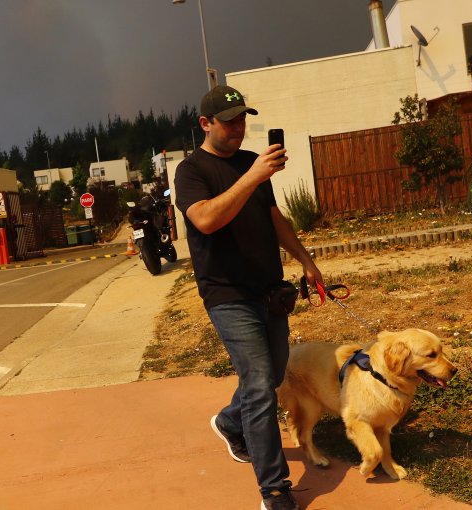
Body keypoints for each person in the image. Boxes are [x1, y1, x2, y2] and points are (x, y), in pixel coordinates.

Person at [173, 85, 323, 510]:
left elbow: (274, 217)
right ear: (206, 124)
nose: (239, 127)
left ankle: (229, 420)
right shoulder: (192, 171)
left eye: (242, 119)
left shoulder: (248, 162)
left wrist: (307, 261)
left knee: (272, 377)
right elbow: (204, 219)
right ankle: (275, 491)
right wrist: (254, 175)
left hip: (268, 290)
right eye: (229, 120)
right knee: (259, 384)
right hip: (227, 294)